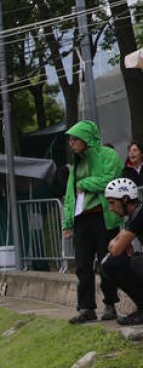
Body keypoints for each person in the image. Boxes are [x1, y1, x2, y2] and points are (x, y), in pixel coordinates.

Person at [63, 120, 122, 324]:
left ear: (86, 137)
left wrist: (85, 183)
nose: (71, 143)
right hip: (82, 220)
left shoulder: (108, 155)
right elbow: (70, 195)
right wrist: (67, 222)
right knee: (82, 265)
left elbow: (110, 180)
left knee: (106, 262)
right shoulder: (77, 163)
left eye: (75, 138)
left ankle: (110, 304)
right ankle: (86, 307)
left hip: (102, 216)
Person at [101, 178, 143, 326]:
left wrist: (115, 244)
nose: (110, 208)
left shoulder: (139, 214)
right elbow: (116, 244)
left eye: (112, 202)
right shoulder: (135, 215)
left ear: (125, 199)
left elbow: (116, 249)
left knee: (111, 263)